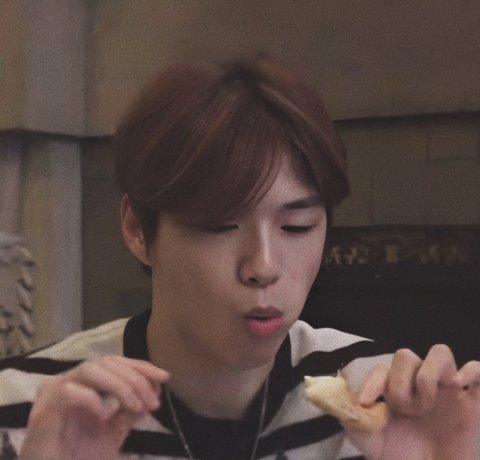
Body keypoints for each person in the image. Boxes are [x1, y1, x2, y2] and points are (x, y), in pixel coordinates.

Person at [0, 55, 479, 460]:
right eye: (218, 226)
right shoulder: (29, 410)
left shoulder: (383, 398)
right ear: (137, 230)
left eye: (297, 226)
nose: (263, 267)